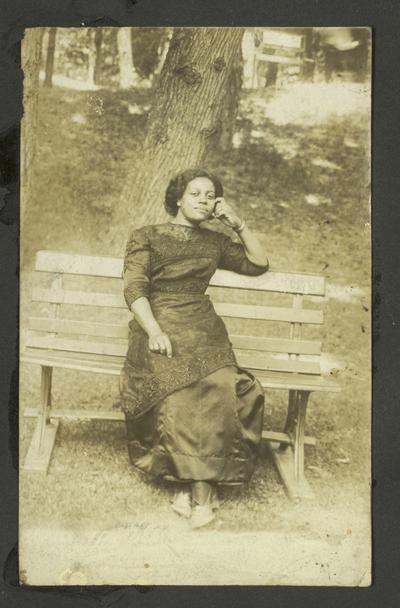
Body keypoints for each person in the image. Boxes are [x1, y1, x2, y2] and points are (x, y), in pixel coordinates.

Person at [115, 168, 269, 529]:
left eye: (210, 195)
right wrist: (153, 330)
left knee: (222, 385)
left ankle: (185, 486)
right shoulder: (146, 236)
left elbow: (259, 265)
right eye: (195, 193)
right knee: (181, 388)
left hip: (203, 328)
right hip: (158, 323)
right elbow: (134, 287)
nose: (203, 200)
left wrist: (239, 224)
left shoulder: (214, 242)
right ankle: (203, 494)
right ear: (179, 199)